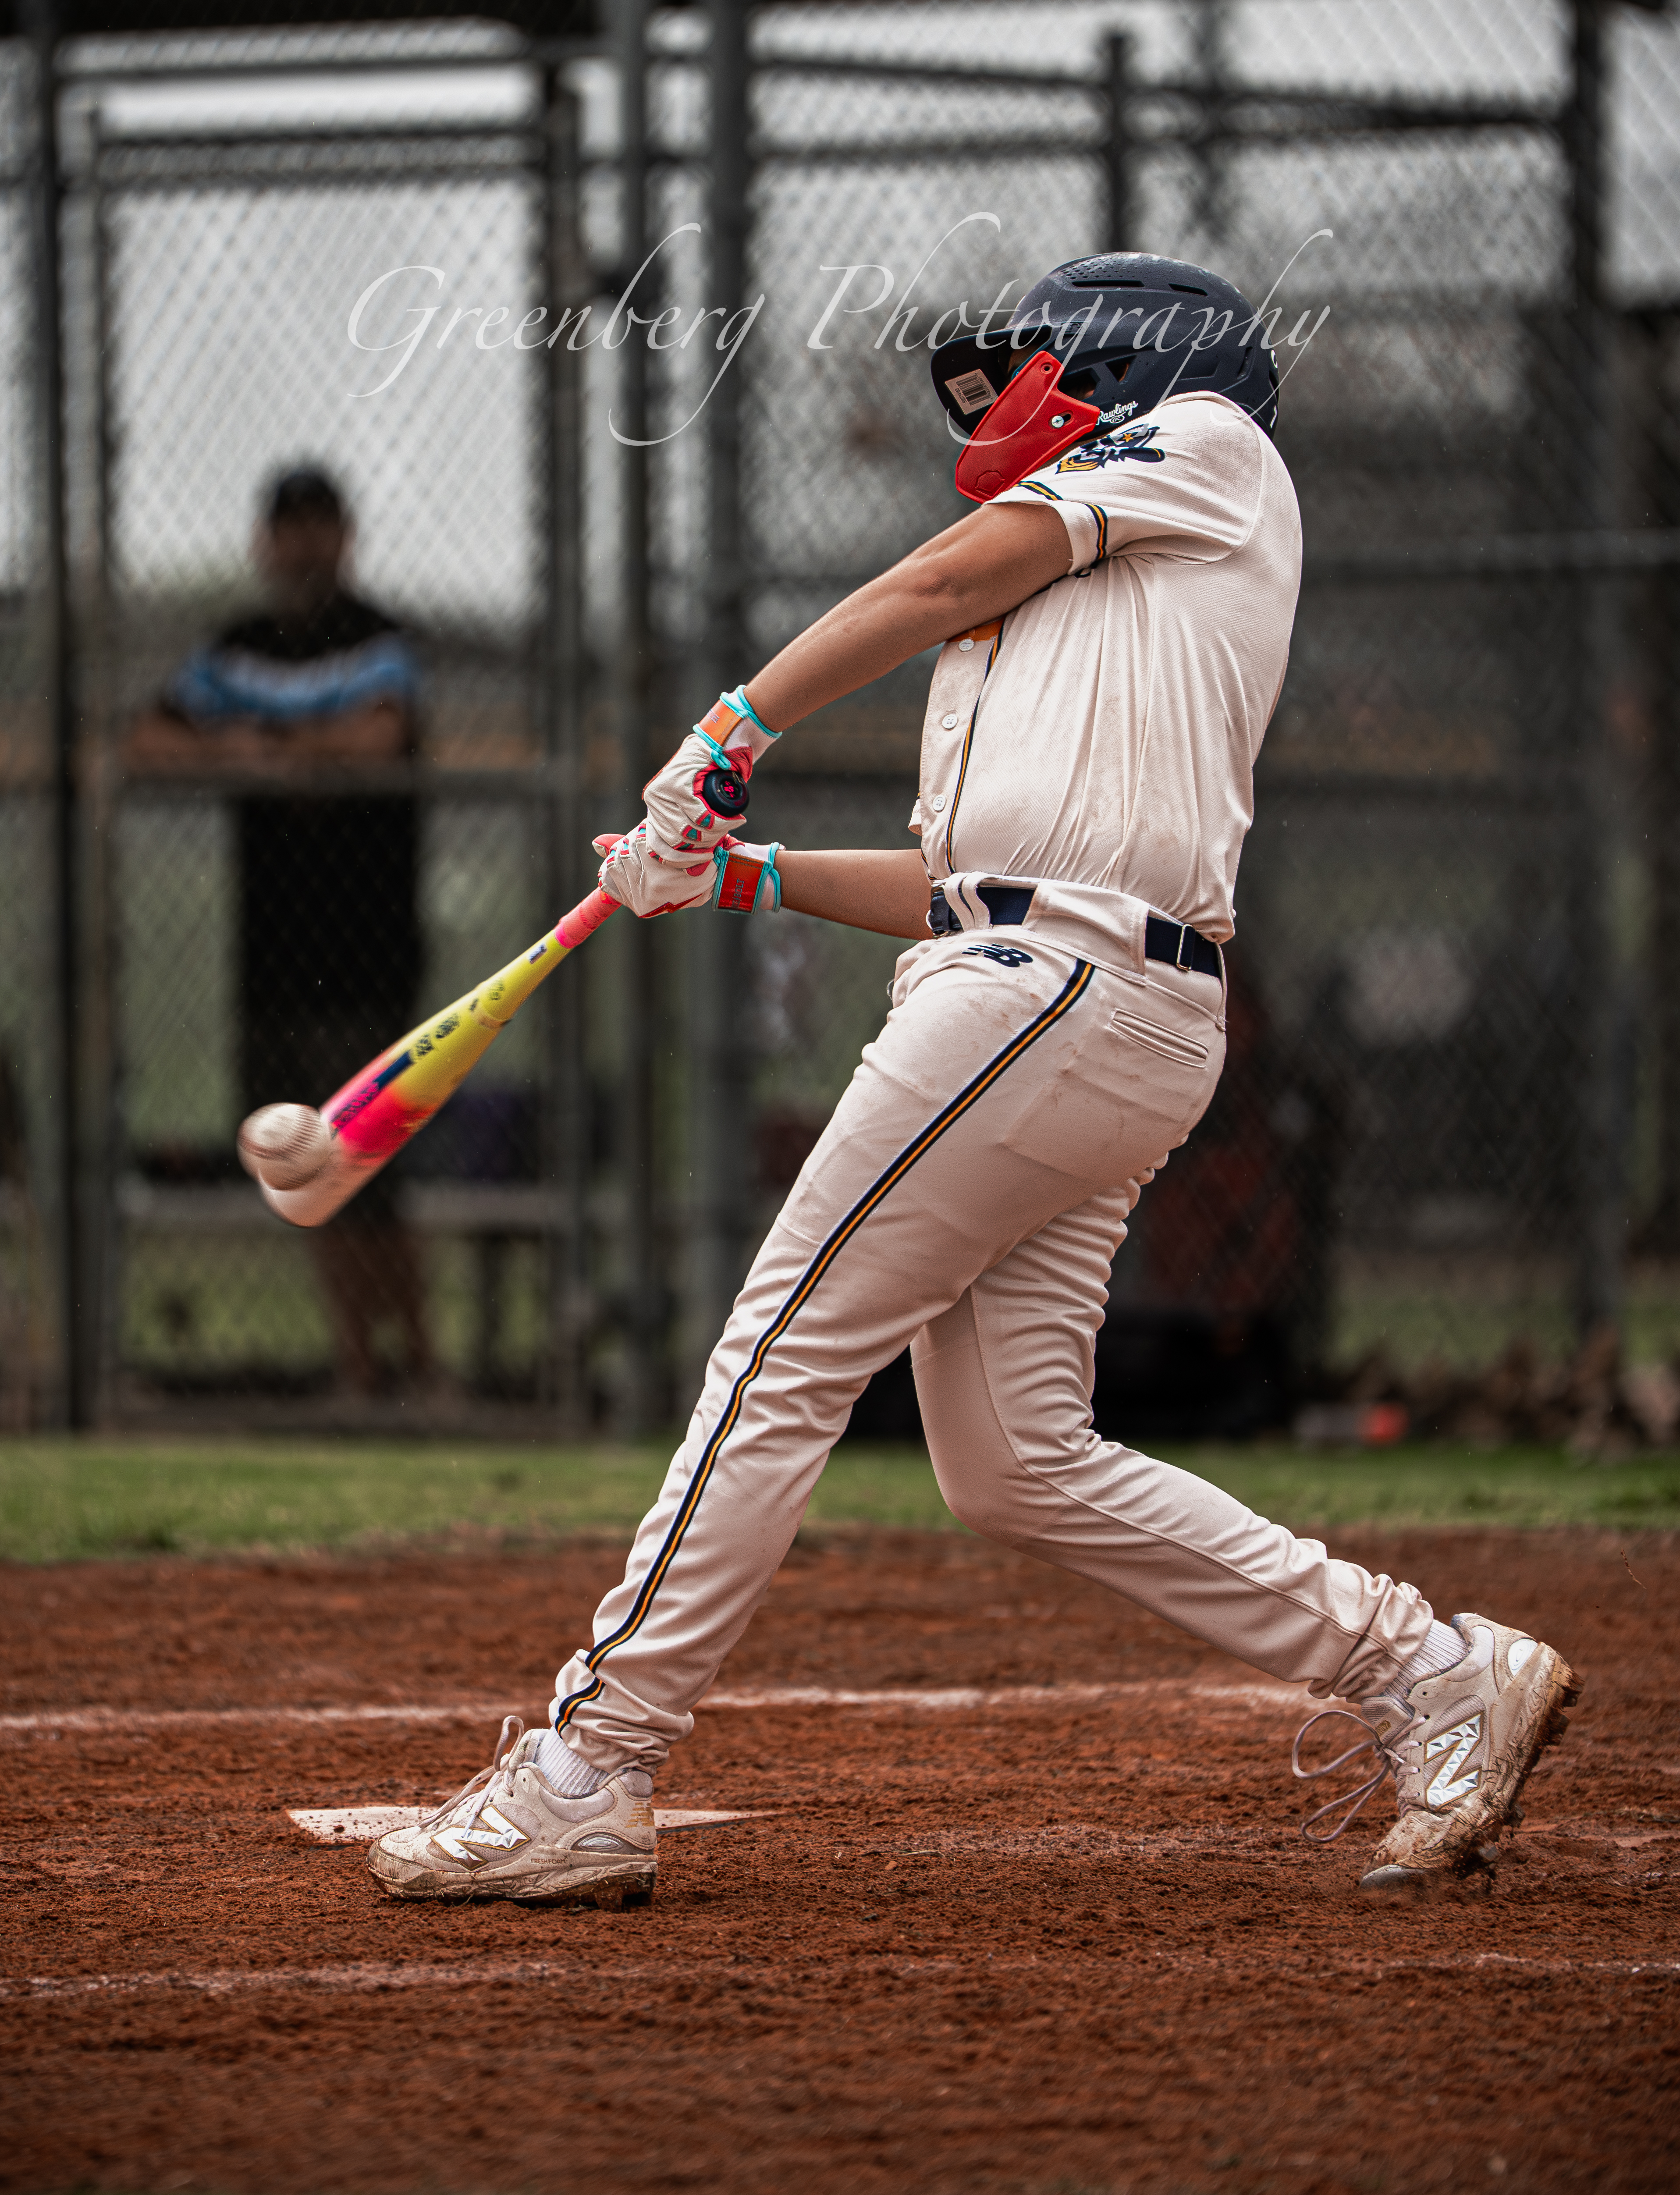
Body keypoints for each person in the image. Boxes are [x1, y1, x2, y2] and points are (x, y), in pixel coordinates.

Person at [368, 253, 1578, 1906]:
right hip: (1064, 989)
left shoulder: (1209, 442)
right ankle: (1430, 1669)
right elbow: (962, 871)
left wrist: (730, 724)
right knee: (1012, 1455)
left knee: (777, 1344)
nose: (998, 403)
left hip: (1050, 993)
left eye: (1028, 370)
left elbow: (941, 585)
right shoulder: (1070, 604)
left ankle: (591, 1764)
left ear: (1123, 360)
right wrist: (744, 872)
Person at [126, 467, 432, 1396]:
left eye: (318, 527)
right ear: (264, 540)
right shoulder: (238, 645)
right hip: (271, 955)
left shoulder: (375, 638)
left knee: (372, 1168)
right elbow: (150, 737)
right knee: (304, 1167)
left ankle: (420, 1363)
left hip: (368, 951)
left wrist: (272, 746)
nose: (302, 546)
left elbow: (380, 735)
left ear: (345, 537)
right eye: (287, 528)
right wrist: (245, 749)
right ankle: (356, 1366)